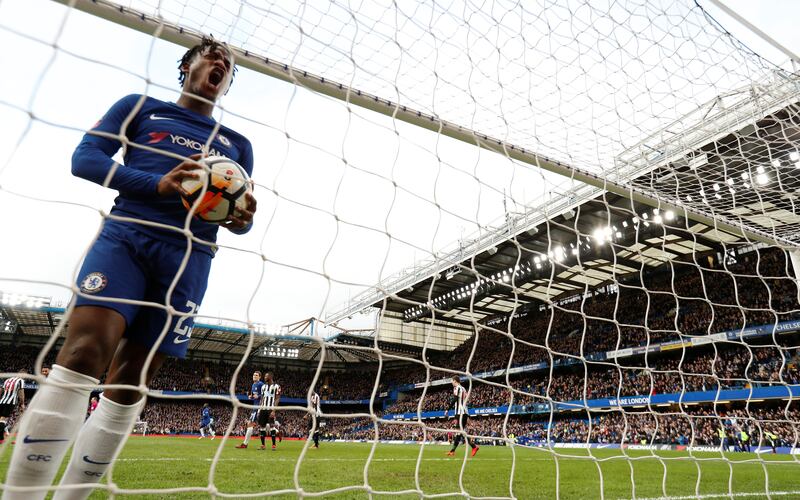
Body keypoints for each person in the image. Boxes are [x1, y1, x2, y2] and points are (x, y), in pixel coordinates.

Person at [2, 37, 256, 500]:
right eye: (211, 55)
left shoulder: (237, 145)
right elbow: (85, 159)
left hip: (190, 259)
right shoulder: (141, 107)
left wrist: (242, 218)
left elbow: (237, 218)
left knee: (132, 382)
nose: (221, 62)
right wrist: (156, 184)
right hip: (128, 240)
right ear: (187, 66)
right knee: (83, 353)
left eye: (228, 63)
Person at [444, 376, 478, 458]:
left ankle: (474, 447)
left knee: (460, 432)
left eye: (452, 381)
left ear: (455, 381)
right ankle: (452, 451)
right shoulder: (463, 389)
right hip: (464, 412)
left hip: (460, 413)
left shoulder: (457, 388)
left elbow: (455, 399)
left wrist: (447, 409)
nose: (451, 382)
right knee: (459, 432)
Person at [236, 371, 263, 449]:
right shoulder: (253, 384)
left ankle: (245, 444)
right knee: (264, 424)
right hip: (255, 406)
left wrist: (258, 396)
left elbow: (265, 394)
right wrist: (251, 396)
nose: (254, 376)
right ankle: (276, 432)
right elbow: (253, 395)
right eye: (254, 374)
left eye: (256, 375)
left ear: (259, 377)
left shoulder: (261, 384)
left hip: (259, 406)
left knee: (250, 424)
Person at [0, 371, 26, 444]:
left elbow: (1, 390)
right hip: (10, 402)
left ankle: (1, 438)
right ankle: (0, 439)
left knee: (1, 419)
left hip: (2, 401)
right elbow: (21, 393)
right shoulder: (21, 381)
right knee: (3, 420)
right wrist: (22, 403)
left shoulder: (7, 380)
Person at [257, 372, 281, 451]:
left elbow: (277, 398)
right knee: (262, 427)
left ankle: (273, 445)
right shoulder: (263, 386)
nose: (264, 377)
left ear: (270, 377)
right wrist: (259, 409)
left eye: (266, 376)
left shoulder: (277, 386)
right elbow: (262, 398)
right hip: (263, 409)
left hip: (270, 409)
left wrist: (274, 410)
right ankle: (263, 445)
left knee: (272, 426)